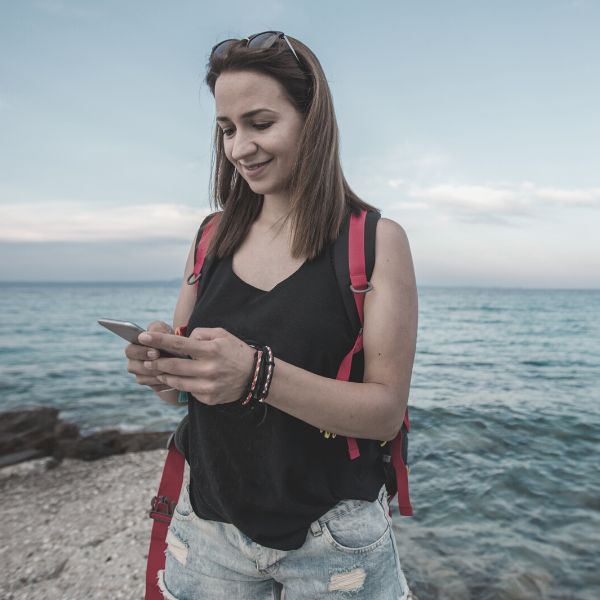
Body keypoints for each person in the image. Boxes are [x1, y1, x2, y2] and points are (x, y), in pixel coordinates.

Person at [125, 31, 417, 600]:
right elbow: (179, 395)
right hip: (207, 526)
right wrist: (159, 367)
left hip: (333, 539)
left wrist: (256, 374)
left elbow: (385, 412)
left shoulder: (375, 242)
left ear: (314, 120)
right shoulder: (211, 238)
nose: (239, 148)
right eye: (227, 130)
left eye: (260, 123)